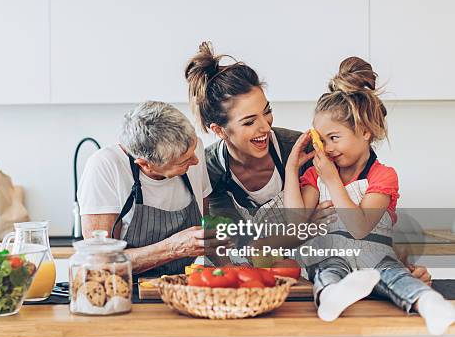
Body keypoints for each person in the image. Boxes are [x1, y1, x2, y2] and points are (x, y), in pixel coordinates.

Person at [184, 41, 431, 282]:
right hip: (256, 275)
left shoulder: (302, 149)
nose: (264, 127)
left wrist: (399, 265)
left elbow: (367, 211)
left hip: (315, 269)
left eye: (267, 111)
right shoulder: (208, 172)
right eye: (249, 122)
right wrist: (307, 226)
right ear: (219, 130)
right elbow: (243, 248)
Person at [283, 56, 453, 334]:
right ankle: (331, 299)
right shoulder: (315, 175)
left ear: (364, 131)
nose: (326, 148)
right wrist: (292, 168)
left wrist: (332, 180)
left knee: (395, 275)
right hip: (331, 257)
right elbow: (295, 223)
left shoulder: (383, 175)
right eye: (321, 139)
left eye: (334, 138)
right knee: (328, 271)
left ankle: (430, 305)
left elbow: (359, 227)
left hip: (376, 259)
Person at [77, 101, 217, 277]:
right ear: (146, 164)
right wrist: (173, 248)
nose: (195, 161)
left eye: (194, 150)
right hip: (125, 292)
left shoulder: (193, 152)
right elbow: (100, 263)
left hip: (183, 286)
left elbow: (207, 223)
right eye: (183, 162)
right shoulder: (106, 166)